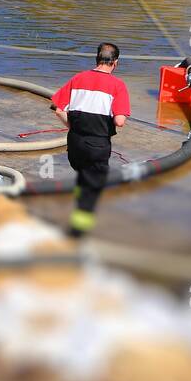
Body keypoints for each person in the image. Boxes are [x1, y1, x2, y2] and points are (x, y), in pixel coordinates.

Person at [50, 42, 131, 238]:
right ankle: (78, 232)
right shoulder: (118, 85)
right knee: (92, 188)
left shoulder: (78, 78)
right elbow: (119, 121)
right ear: (116, 63)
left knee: (83, 175)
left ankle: (80, 201)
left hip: (75, 142)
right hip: (98, 144)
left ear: (97, 59)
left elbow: (56, 106)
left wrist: (72, 126)